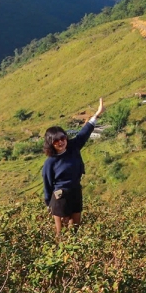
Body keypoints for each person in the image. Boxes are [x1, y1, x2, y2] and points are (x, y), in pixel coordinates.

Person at [42, 97, 104, 236]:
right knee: (61, 233)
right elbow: (47, 185)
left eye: (63, 138)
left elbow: (84, 132)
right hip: (60, 198)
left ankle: (74, 257)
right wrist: (49, 205)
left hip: (76, 192)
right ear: (50, 143)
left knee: (75, 229)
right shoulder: (50, 162)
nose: (61, 142)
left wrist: (97, 114)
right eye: (56, 140)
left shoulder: (73, 147)